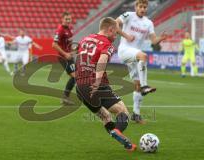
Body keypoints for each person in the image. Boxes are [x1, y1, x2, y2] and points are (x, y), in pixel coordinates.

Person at [76, 17, 136, 151]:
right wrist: (97, 81)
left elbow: (78, 57)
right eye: (116, 32)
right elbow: (102, 61)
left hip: (80, 87)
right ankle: (116, 131)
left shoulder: (85, 39)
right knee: (123, 112)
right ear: (110, 29)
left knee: (106, 117)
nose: (116, 35)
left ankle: (127, 144)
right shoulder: (107, 44)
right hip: (95, 84)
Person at [116, 0, 167, 123]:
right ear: (136, 7)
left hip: (134, 55)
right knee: (144, 56)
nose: (143, 9)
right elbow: (115, 24)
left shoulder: (148, 23)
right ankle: (145, 86)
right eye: (140, 6)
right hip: (124, 50)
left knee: (136, 84)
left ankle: (136, 114)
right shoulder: (128, 15)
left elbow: (153, 41)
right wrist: (126, 36)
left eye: (145, 7)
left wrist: (160, 38)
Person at [52, 11, 76, 105]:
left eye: (69, 19)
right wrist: (65, 54)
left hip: (69, 57)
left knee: (75, 77)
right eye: (66, 19)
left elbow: (67, 45)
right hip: (63, 57)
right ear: (62, 19)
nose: (68, 21)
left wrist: (74, 49)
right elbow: (54, 44)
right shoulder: (60, 30)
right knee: (75, 76)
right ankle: (65, 98)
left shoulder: (70, 29)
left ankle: (65, 98)